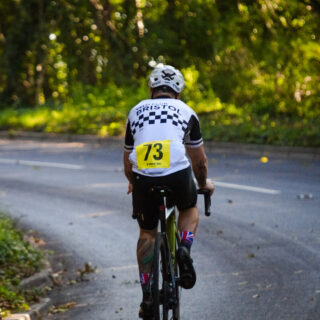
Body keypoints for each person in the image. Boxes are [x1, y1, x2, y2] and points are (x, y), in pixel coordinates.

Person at [123, 64, 214, 318]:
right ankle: (184, 247)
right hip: (177, 176)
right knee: (188, 207)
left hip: (143, 178)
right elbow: (199, 162)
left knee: (147, 232)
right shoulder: (186, 111)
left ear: (151, 90)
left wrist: (133, 180)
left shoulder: (136, 111)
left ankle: (147, 295)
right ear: (179, 93)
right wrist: (203, 183)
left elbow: (127, 159)